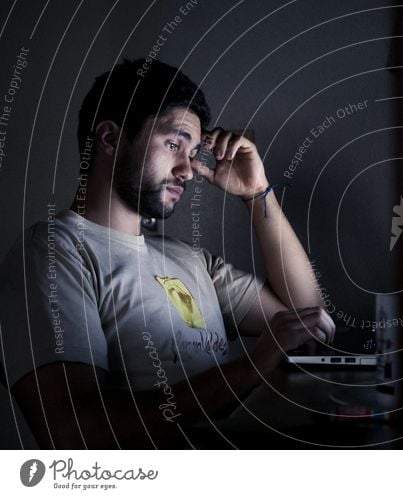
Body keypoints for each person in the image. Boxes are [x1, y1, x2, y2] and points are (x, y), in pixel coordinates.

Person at [0, 59, 335, 449]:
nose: (189, 170)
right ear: (109, 138)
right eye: (174, 144)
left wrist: (256, 192)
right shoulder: (53, 255)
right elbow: (75, 434)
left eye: (193, 152)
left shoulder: (193, 262)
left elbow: (310, 320)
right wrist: (252, 365)